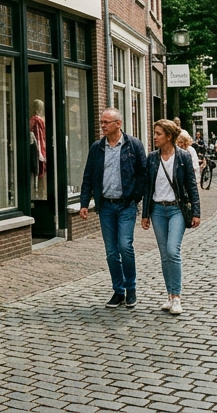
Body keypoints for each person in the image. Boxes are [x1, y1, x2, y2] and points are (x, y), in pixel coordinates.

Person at [78, 107, 149, 308]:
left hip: (126, 205)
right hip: (106, 206)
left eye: (106, 122)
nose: (102, 126)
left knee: (125, 246)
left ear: (118, 124)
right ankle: (118, 291)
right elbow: (88, 176)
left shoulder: (133, 145)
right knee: (111, 252)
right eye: (101, 122)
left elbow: (143, 174)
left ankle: (131, 288)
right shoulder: (97, 148)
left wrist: (135, 197)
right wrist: (85, 202)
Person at [140, 119, 201, 315]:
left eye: (158, 134)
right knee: (165, 254)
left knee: (173, 251)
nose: (154, 137)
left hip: (176, 210)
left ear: (169, 136)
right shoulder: (151, 158)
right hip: (158, 210)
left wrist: (197, 212)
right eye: (154, 133)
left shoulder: (182, 157)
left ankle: (177, 297)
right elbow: (147, 188)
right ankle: (169, 295)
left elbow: (191, 186)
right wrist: (145, 214)